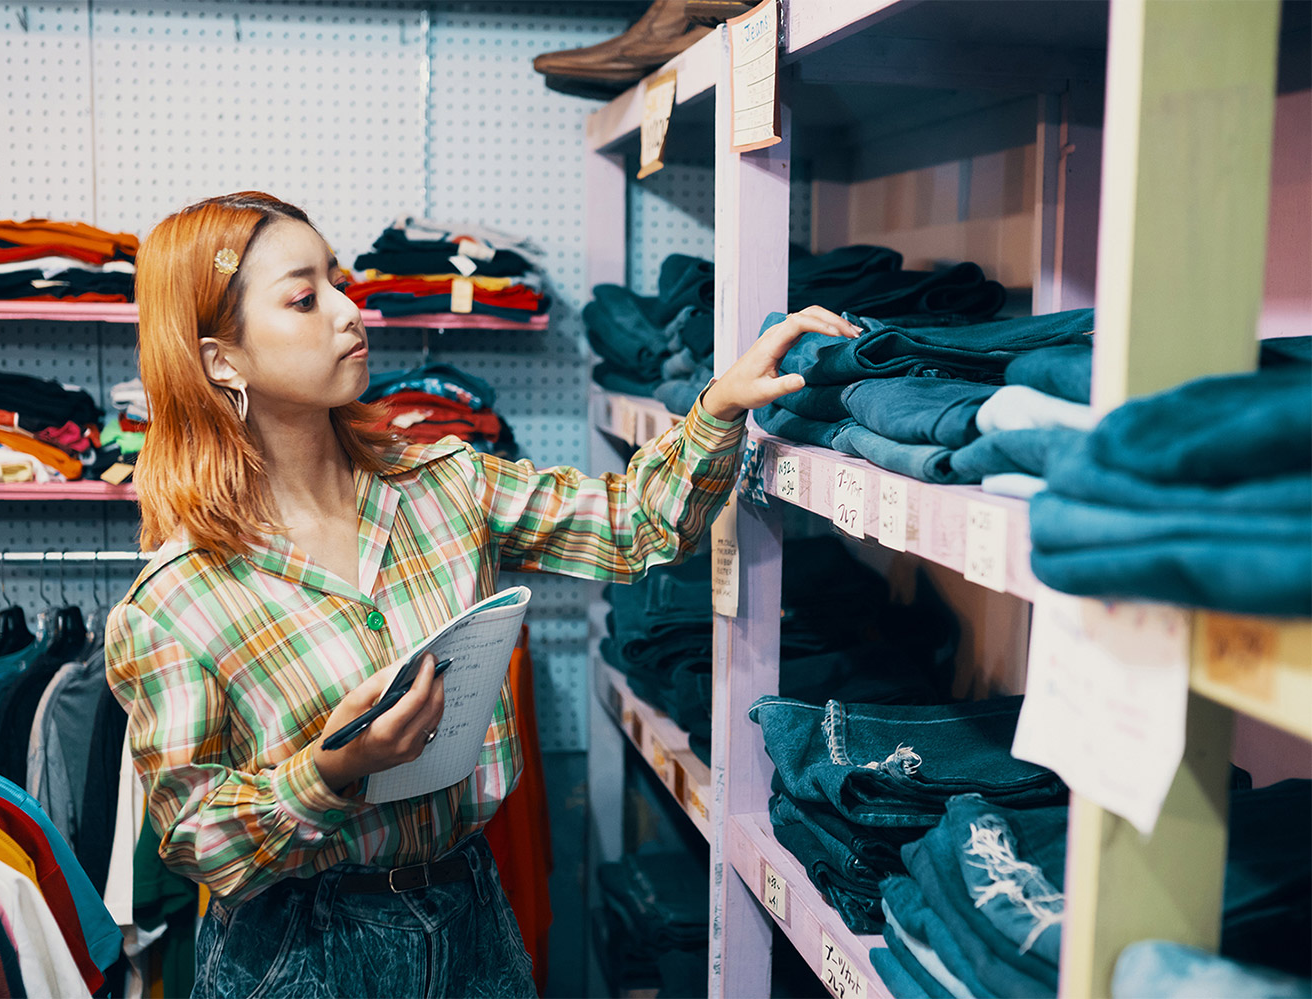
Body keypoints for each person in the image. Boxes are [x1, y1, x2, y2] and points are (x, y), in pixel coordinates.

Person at [104, 191, 859, 998]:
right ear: (221, 360)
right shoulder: (175, 601)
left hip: (470, 914)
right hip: (299, 950)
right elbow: (195, 840)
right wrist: (330, 770)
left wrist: (720, 403)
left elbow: (633, 522)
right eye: (304, 297)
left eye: (339, 279)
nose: (348, 310)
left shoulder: (443, 483)